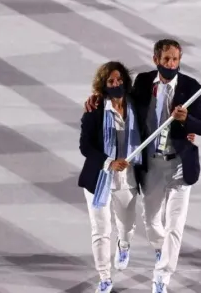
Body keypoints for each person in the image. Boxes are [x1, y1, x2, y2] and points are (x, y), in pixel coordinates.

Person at [84, 39, 201, 293]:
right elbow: (121, 100)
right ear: (156, 60)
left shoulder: (191, 87)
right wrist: (97, 96)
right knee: (151, 224)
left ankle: (162, 277)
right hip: (152, 164)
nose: (171, 64)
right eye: (166, 60)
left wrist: (188, 121)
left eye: (175, 59)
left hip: (180, 165)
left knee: (175, 225)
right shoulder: (142, 83)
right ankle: (156, 250)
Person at [78, 61, 145, 293]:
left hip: (127, 180)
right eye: (110, 81)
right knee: (101, 230)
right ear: (103, 86)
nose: (116, 84)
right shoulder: (95, 110)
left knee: (126, 225)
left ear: (125, 81)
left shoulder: (135, 105)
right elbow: (85, 147)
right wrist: (109, 162)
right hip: (99, 180)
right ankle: (105, 278)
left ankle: (124, 245)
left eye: (118, 79)